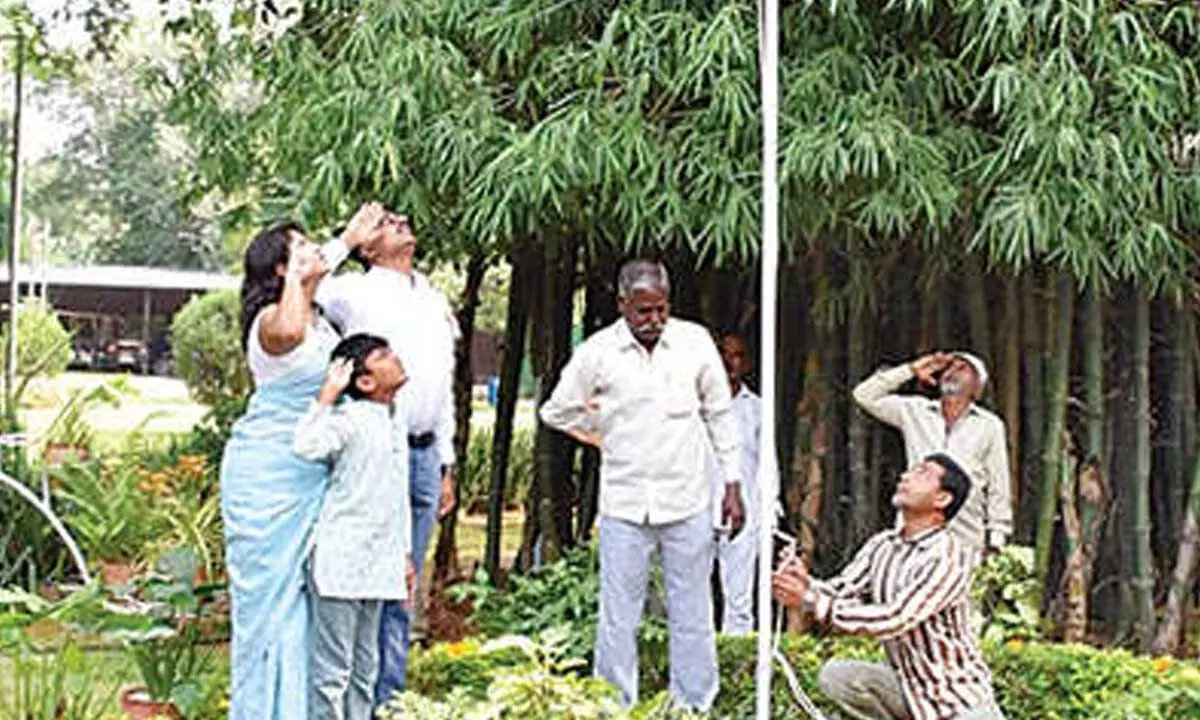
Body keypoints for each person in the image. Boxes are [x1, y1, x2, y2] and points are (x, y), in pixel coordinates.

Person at [539, 259, 744, 712]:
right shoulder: (597, 351)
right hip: (624, 504)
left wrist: (732, 483)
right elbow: (555, 411)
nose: (653, 320)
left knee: (692, 611)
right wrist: (599, 431)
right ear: (621, 305)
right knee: (619, 615)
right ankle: (614, 705)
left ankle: (694, 704)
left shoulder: (693, 343)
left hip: (688, 498)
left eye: (660, 310)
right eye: (642, 312)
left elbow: (719, 414)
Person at [219, 204, 382, 720]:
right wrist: (334, 249)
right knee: (268, 608)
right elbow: (289, 332)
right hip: (266, 474)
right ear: (281, 270)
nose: (316, 251)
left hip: (312, 472)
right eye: (302, 248)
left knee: (308, 603)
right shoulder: (272, 322)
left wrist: (341, 248)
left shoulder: (321, 321)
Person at [317, 210, 458, 703]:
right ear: (369, 250)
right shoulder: (355, 291)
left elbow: (444, 381)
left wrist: (447, 462)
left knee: (403, 585)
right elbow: (304, 287)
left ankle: (389, 701)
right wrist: (345, 240)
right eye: (384, 223)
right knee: (367, 588)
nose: (397, 221)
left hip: (423, 453)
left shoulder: (433, 296)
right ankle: (353, 701)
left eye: (400, 218)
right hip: (376, 453)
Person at [772, 454, 1006, 720]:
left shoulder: (949, 556)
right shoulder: (882, 546)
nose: (906, 476)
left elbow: (896, 617)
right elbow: (841, 591)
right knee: (837, 676)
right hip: (911, 692)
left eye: (923, 473)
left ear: (942, 499)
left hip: (959, 703)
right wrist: (805, 583)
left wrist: (810, 600)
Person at [294, 334, 417, 720]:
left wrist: (404, 555)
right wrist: (327, 397)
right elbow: (306, 445)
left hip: (379, 560)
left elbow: (396, 499)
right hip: (342, 559)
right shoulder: (349, 420)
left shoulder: (396, 419)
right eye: (383, 356)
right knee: (334, 672)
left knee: (366, 668)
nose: (395, 358)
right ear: (364, 382)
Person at [852, 351, 1012, 557]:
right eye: (948, 367)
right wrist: (912, 369)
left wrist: (996, 540)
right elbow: (864, 395)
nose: (951, 372)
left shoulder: (989, 425)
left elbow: (999, 484)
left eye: (962, 368)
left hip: (966, 533)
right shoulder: (915, 410)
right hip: (915, 529)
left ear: (977, 388)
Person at [710, 331, 779, 637]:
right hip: (694, 508)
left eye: (737, 356)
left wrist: (769, 512)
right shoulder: (695, 403)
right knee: (688, 596)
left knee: (738, 600)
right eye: (723, 355)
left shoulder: (756, 408)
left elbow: (768, 464)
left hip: (744, 512)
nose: (729, 363)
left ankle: (735, 667)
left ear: (747, 363)